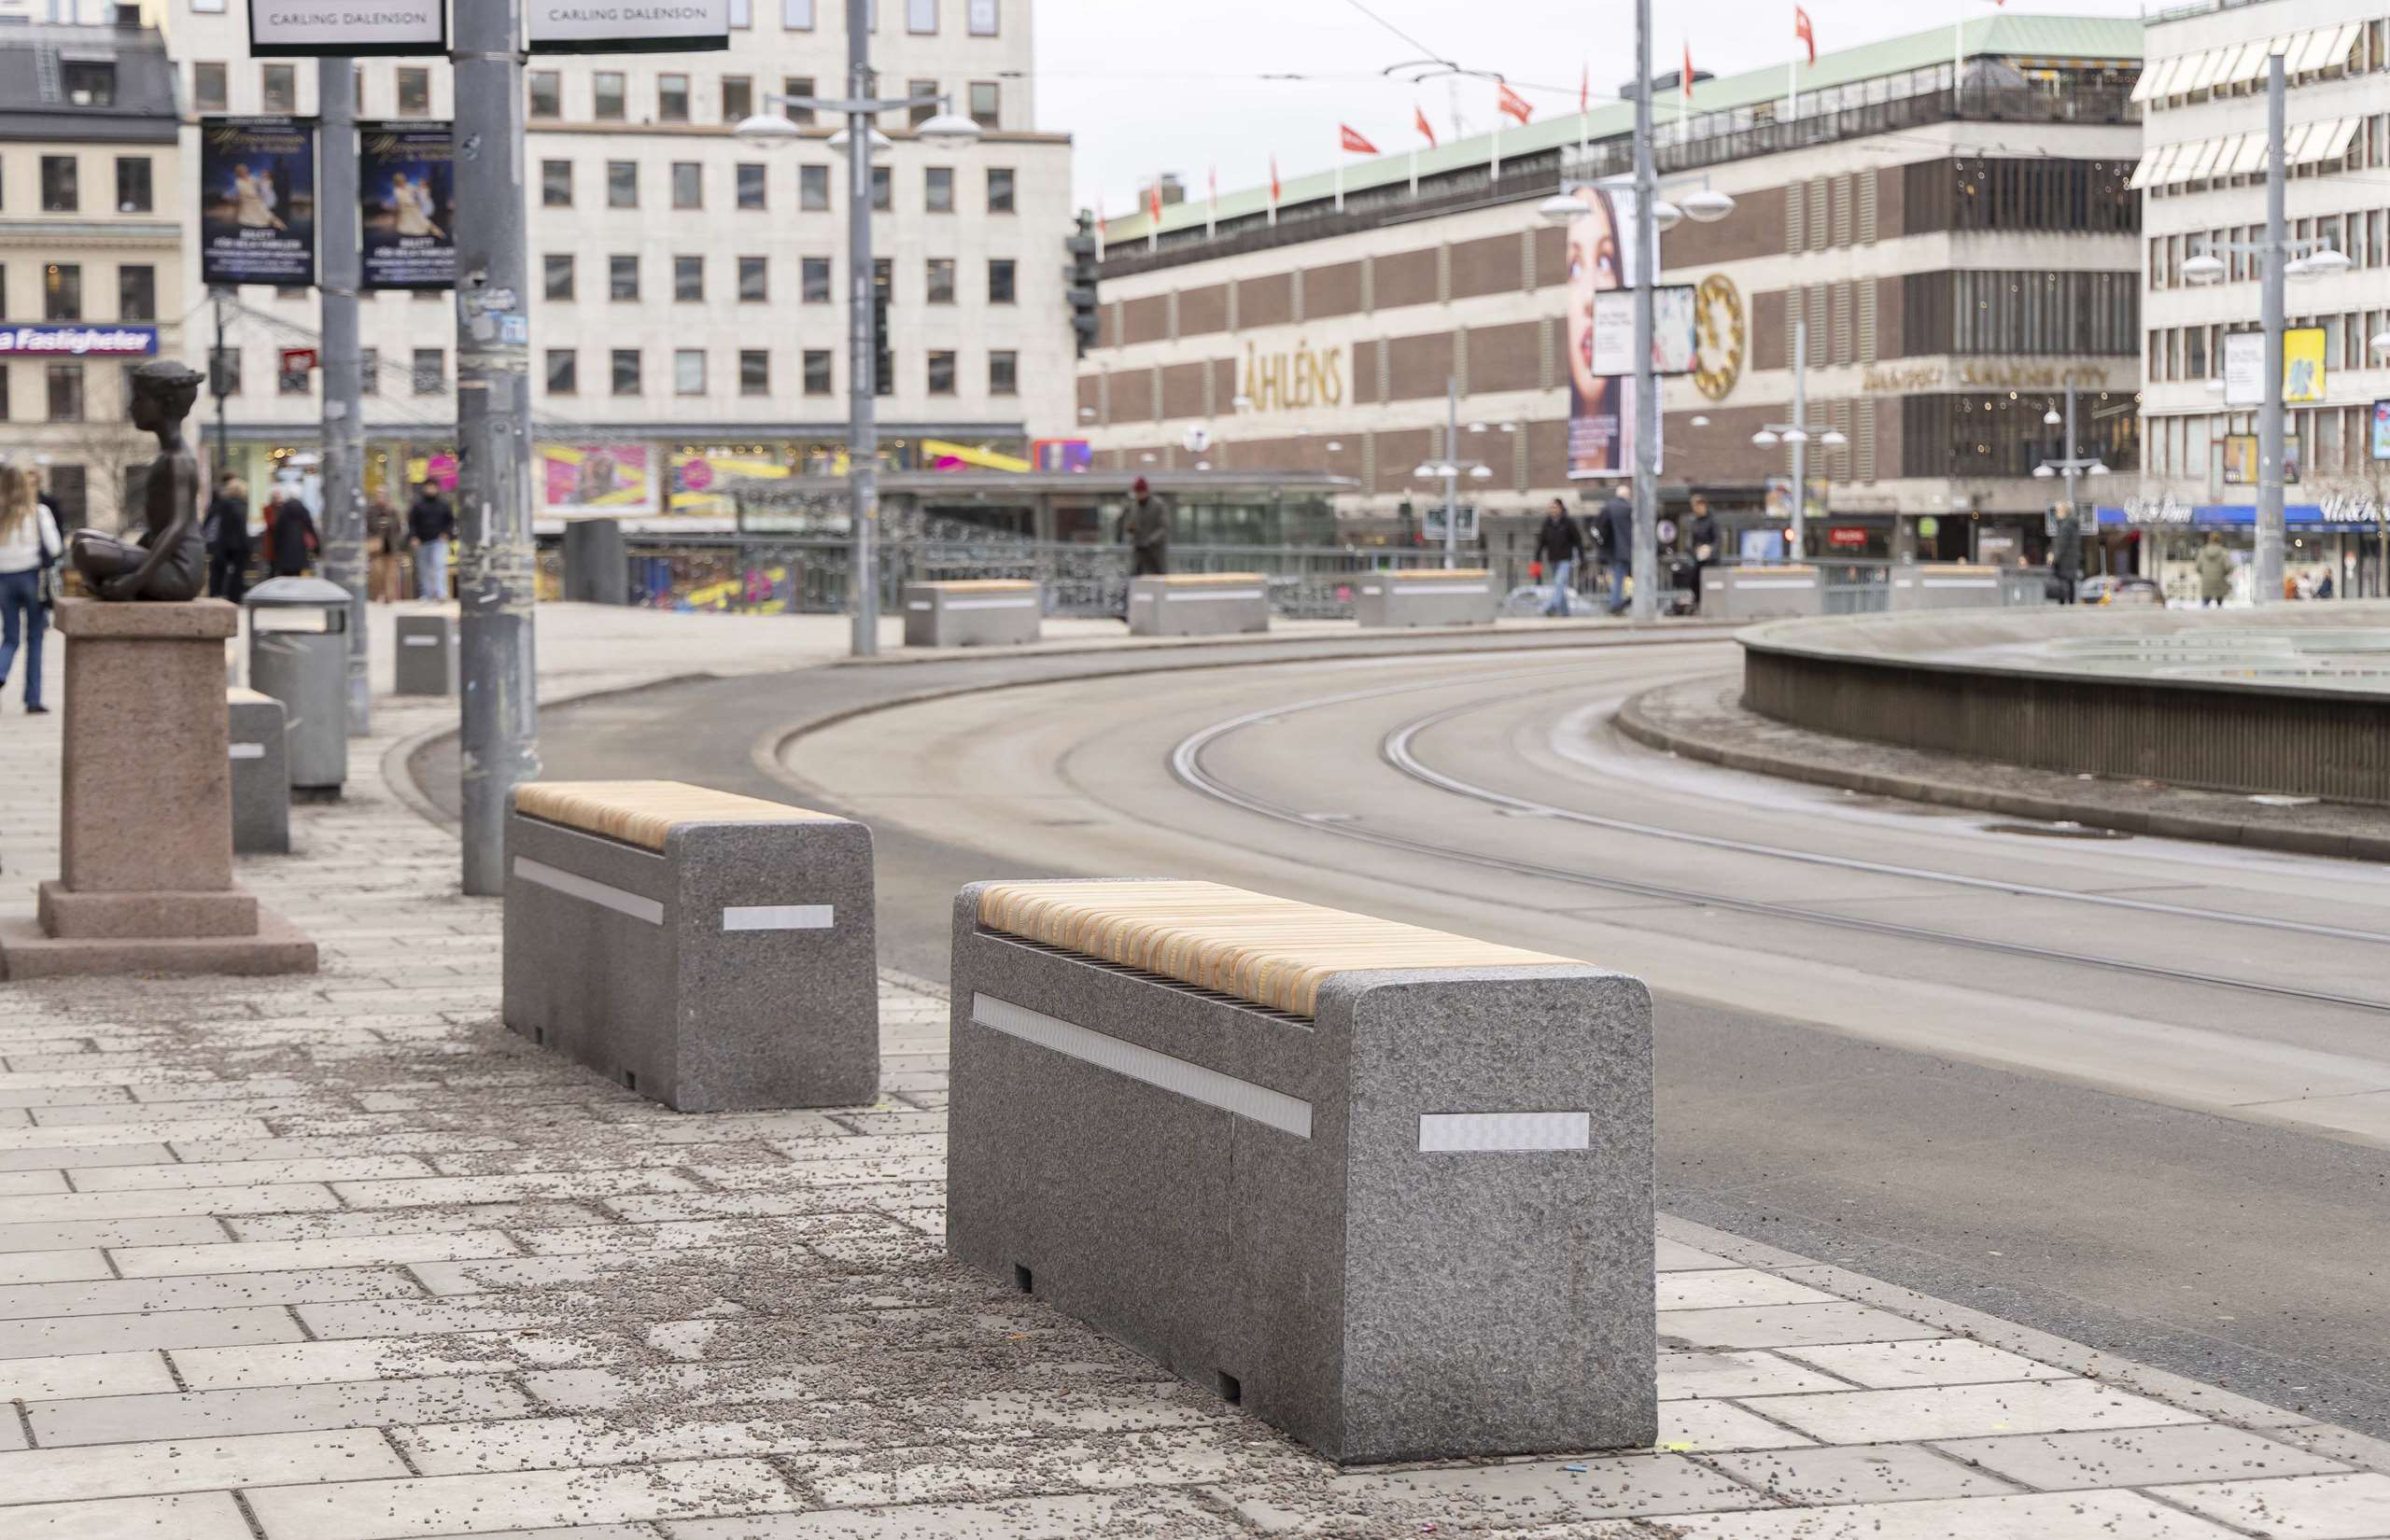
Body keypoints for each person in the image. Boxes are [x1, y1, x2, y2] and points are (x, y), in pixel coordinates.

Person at [0, 464, 62, 714]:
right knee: (35, 638)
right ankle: (33, 699)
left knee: (10, 636)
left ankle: (1, 671)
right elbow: (55, 547)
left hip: (3, 579)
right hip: (32, 579)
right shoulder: (38, 512)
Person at [1533, 499, 1584, 617]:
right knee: (1560, 585)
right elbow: (1542, 542)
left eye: (1555, 507)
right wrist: (1537, 557)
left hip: (1565, 559)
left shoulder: (1569, 522)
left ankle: (1553, 606)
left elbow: (1578, 541)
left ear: (1561, 508)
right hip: (1553, 559)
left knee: (1559, 582)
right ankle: (1565, 612)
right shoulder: (1547, 523)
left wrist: (1582, 557)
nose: (1553, 509)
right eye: (1551, 507)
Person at [407, 480, 457, 600]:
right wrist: (413, 537)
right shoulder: (418, 505)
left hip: (439, 540)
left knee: (438, 565)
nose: (430, 490)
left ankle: (441, 593)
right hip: (422, 541)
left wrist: (446, 533)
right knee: (424, 568)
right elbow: (412, 523)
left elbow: (450, 521)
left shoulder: (444, 505)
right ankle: (426, 594)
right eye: (428, 487)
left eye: (433, 487)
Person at [205, 474, 251, 603]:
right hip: (238, 544)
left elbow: (209, 521)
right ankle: (234, 598)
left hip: (221, 542)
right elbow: (242, 527)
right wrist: (247, 545)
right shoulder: (242, 506)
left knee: (218, 571)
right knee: (237, 573)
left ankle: (215, 595)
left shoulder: (221, 504)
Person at [1595, 490, 1634, 615]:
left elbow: (1598, 529)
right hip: (1625, 550)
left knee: (1617, 578)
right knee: (1620, 578)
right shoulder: (1629, 508)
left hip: (1611, 551)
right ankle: (1616, 605)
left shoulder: (1607, 508)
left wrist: (1602, 546)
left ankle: (1617, 603)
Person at [265, 490, 316, 578]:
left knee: (285, 577)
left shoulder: (283, 511)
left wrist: (276, 549)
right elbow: (310, 528)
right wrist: (317, 548)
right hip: (300, 548)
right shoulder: (303, 510)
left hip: (284, 550)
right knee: (297, 575)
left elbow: (278, 532)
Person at [1123, 477, 1168, 578]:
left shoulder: (1158, 505)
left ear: (1146, 491)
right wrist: (1130, 529)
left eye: (1140, 492)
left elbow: (1163, 528)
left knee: (1158, 578)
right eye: (1136, 492)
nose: (1138, 495)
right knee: (1134, 576)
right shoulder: (1133, 506)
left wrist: (1151, 540)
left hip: (1155, 551)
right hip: (1139, 549)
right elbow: (1129, 524)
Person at [1684, 495, 1722, 613]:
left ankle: (1711, 606)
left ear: (1704, 505)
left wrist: (1710, 549)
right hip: (1697, 559)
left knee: (1710, 583)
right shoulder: (1693, 521)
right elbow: (1689, 541)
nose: (1696, 509)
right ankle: (1698, 603)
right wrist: (1694, 550)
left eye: (1698, 506)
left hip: (1711, 560)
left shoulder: (1713, 521)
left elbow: (1718, 540)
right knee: (1693, 580)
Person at [367, 496, 406, 601]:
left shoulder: (393, 512)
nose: (381, 499)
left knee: (391, 574)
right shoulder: (371, 512)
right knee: (377, 573)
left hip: (391, 548)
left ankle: (389, 597)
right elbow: (369, 528)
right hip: (376, 550)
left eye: (383, 496)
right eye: (379, 496)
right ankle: (376, 596)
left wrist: (397, 543)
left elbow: (398, 529)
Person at [2049, 509, 2083, 606]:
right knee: (2070, 583)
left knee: (2063, 584)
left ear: (2064, 513)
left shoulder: (2065, 526)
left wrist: (2054, 559)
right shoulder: (2072, 525)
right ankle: (2071, 605)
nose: (2056, 514)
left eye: (2058, 511)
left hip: (2064, 561)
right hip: (2071, 560)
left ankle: (2064, 606)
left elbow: (2061, 546)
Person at [2195, 532, 2233, 607]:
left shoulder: (2203, 551)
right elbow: (2229, 567)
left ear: (2209, 539)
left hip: (2206, 582)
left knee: (2205, 605)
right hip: (2219, 581)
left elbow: (2197, 567)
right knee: (2219, 605)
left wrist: (2204, 574)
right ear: (2220, 540)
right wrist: (2224, 574)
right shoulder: (2223, 552)